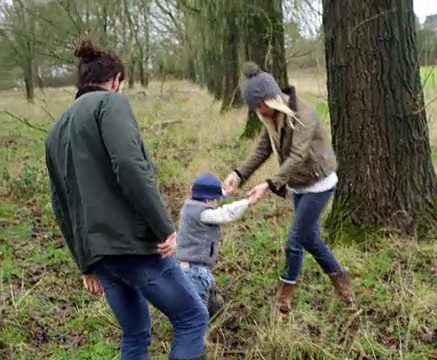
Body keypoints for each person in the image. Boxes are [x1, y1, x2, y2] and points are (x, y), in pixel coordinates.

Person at [44, 37, 208, 360]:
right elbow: (130, 166)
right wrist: (163, 226)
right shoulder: (110, 104)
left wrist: (85, 263)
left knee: (135, 332)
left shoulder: (55, 130)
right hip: (130, 246)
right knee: (192, 317)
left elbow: (60, 202)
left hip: (99, 256)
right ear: (116, 80)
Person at [222, 62, 356, 314]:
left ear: (270, 99)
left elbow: (297, 156)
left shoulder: (302, 114)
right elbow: (263, 149)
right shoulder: (270, 117)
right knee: (311, 239)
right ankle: (342, 284)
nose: (257, 111)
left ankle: (283, 300)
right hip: (299, 186)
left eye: (259, 105)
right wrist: (238, 174)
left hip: (319, 184)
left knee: (294, 241)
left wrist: (268, 184)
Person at [176, 172, 250, 317]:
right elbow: (226, 214)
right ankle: (197, 334)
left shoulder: (189, 207)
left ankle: (216, 321)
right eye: (217, 200)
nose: (218, 204)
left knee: (209, 302)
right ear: (208, 200)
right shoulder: (203, 213)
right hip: (194, 271)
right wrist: (247, 202)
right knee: (197, 313)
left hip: (193, 268)